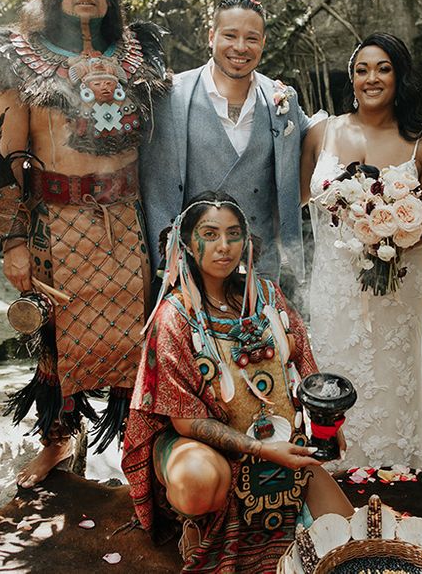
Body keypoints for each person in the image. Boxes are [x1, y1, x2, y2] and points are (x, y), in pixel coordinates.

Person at [0, 0, 168, 487]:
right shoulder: (20, 55)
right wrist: (13, 242)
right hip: (56, 223)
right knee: (56, 335)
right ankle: (58, 437)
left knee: (137, 336)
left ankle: (138, 443)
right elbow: (7, 159)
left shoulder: (140, 51)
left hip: (127, 223)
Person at [122, 191, 353, 572]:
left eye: (233, 234)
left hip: (277, 443)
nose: (224, 246)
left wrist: (327, 421)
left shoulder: (266, 295)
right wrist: (262, 452)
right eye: (210, 234)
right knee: (198, 480)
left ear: (247, 240)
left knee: (346, 541)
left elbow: (303, 357)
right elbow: (185, 421)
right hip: (201, 445)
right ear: (187, 244)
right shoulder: (175, 317)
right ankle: (198, 522)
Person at [300, 33, 422, 469]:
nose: (372, 78)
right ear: (351, 77)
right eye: (362, 69)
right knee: (333, 363)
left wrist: (403, 234)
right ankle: (332, 466)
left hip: (399, 284)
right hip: (334, 281)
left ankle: (397, 464)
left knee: (392, 374)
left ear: (399, 76)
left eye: (383, 68)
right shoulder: (321, 132)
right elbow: (294, 198)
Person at [141, 0, 310, 284]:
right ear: (211, 36)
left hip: (262, 268)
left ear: (263, 43)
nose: (241, 47)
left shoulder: (283, 101)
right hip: (191, 268)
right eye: (230, 35)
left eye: (252, 38)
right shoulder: (169, 97)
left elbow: (319, 146)